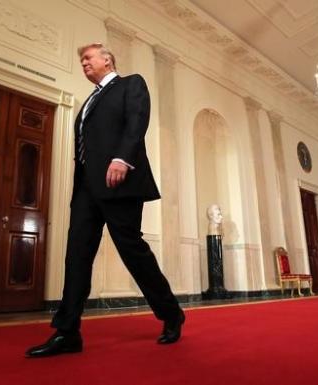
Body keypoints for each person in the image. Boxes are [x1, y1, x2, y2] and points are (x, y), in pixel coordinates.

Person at [25, 43, 185, 358]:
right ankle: (67, 332)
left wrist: (122, 159)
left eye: (88, 57)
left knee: (132, 251)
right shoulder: (89, 101)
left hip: (119, 181)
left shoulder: (130, 84)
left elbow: (136, 122)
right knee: (77, 255)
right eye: (81, 59)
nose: (83, 63)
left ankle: (171, 314)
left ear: (107, 59)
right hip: (86, 188)